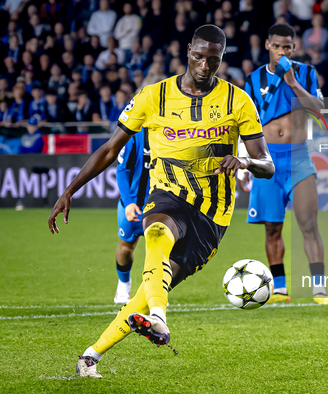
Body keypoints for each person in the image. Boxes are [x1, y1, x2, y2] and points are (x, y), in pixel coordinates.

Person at [47, 25, 274, 378]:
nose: (204, 65)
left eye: (212, 60)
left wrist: (245, 161)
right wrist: (68, 190)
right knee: (154, 236)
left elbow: (267, 165)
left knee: (152, 289)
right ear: (188, 51)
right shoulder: (154, 96)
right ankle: (160, 320)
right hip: (167, 193)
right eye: (198, 56)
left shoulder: (238, 100)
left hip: (212, 214)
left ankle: (91, 356)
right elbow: (110, 149)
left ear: (221, 59)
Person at [243, 24, 328, 304]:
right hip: (267, 160)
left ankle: (319, 289)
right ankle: (279, 289)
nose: (283, 51)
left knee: (309, 224)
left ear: (294, 48)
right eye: (278, 46)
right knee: (272, 228)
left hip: (299, 157)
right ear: (268, 45)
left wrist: (293, 82)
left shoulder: (306, 73)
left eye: (288, 47)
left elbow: (319, 110)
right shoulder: (253, 79)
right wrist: (247, 163)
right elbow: (246, 123)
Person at [113, 128, 151, 303]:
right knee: (126, 247)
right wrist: (128, 203)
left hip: (161, 206)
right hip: (134, 205)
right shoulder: (135, 135)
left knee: (159, 250)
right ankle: (124, 284)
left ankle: (153, 292)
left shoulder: (174, 130)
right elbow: (122, 170)